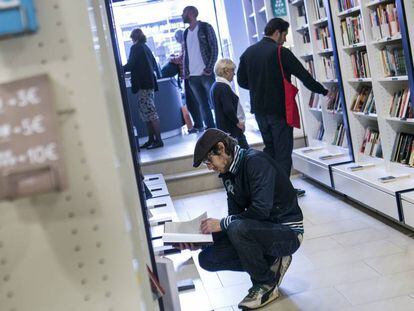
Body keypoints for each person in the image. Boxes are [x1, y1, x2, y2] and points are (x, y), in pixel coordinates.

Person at [192, 128, 304, 310]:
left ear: (221, 148)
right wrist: (202, 239)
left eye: (208, 161)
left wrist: (222, 224)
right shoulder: (228, 174)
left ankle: (266, 284)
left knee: (235, 228)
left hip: (287, 232)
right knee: (207, 259)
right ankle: (272, 261)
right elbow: (234, 218)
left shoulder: (255, 162)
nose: (209, 167)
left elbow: (259, 211)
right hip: (261, 230)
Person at [237, 18, 329, 197]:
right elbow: (304, 76)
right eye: (285, 35)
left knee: (270, 150)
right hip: (279, 110)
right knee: (283, 152)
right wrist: (324, 91)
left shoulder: (248, 52)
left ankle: (270, 190)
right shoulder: (280, 52)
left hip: (259, 111)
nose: (285, 39)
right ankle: (284, 193)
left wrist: (258, 86)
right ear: (277, 32)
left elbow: (241, 81)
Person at [123, 28, 163, 149]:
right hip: (149, 84)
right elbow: (154, 64)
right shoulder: (145, 47)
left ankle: (158, 140)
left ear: (133, 38)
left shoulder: (136, 48)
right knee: (147, 113)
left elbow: (131, 64)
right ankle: (152, 140)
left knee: (150, 113)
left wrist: (118, 69)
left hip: (143, 85)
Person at [182, 5, 218, 131]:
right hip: (192, 76)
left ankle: (222, 128)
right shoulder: (186, 32)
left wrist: (209, 68)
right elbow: (186, 53)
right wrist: (185, 71)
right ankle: (211, 129)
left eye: (184, 12)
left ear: (191, 13)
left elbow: (214, 47)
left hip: (205, 73)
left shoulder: (205, 27)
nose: (182, 15)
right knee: (202, 105)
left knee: (215, 102)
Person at [210, 59, 249, 149]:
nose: (234, 74)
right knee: (245, 156)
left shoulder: (215, 86)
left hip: (225, 131)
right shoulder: (223, 87)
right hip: (232, 131)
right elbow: (228, 109)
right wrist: (238, 123)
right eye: (232, 71)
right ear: (226, 71)